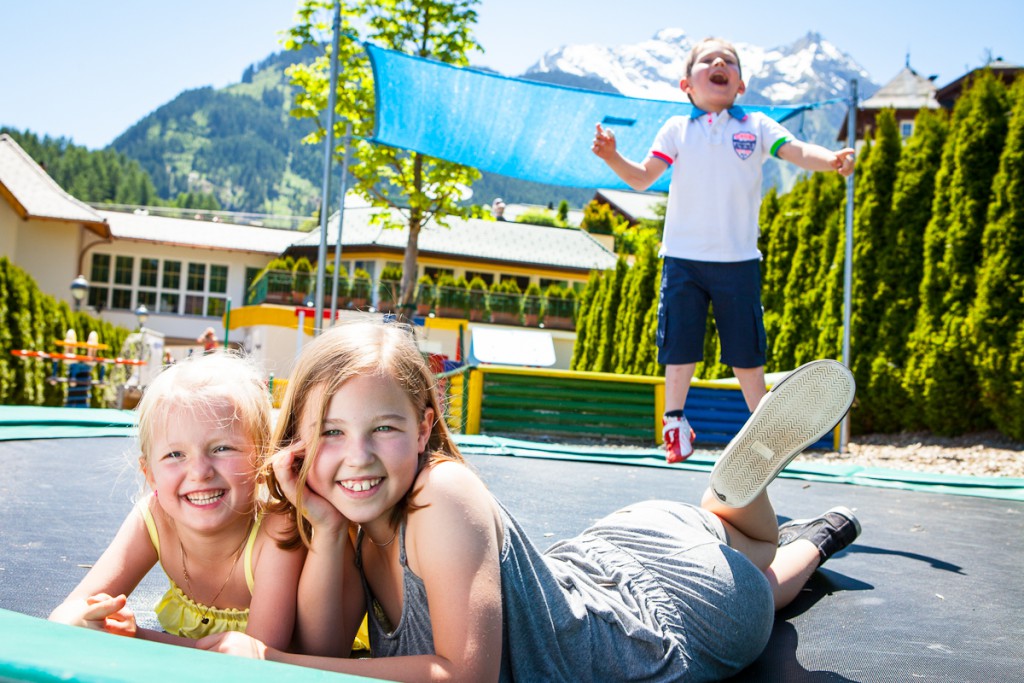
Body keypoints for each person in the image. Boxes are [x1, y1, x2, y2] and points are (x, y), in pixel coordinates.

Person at [197, 321, 861, 681]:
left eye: (384, 428)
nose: (357, 456)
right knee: (719, 530)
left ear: (425, 427)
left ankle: (801, 530)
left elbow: (464, 675)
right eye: (331, 433)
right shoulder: (347, 515)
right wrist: (320, 523)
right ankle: (729, 500)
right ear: (302, 440)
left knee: (762, 578)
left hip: (678, 614)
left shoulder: (442, 491)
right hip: (605, 553)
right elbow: (331, 650)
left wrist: (269, 659)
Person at [592, 37, 856, 463]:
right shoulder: (677, 129)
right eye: (708, 61)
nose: (720, 63)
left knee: (746, 351)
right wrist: (612, 157)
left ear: (741, 85)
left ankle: (765, 431)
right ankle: (674, 423)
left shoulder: (756, 126)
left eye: (729, 61)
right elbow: (642, 178)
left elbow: (798, 151)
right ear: (687, 85)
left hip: (738, 262)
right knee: (679, 343)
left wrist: (831, 159)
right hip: (682, 259)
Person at [48, 351, 305, 649]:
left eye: (222, 448)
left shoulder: (277, 532)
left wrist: (137, 636)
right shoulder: (155, 517)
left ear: (261, 460)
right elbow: (72, 610)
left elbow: (254, 658)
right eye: (175, 454)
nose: (199, 472)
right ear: (150, 474)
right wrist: (80, 620)